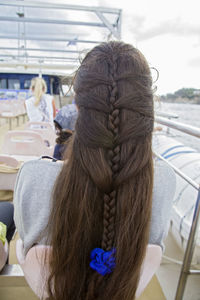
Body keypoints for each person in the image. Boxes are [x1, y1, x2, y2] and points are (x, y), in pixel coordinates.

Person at [14, 41, 176, 300]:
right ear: (147, 112)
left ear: (78, 107)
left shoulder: (33, 176)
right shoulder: (164, 181)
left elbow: (24, 247)